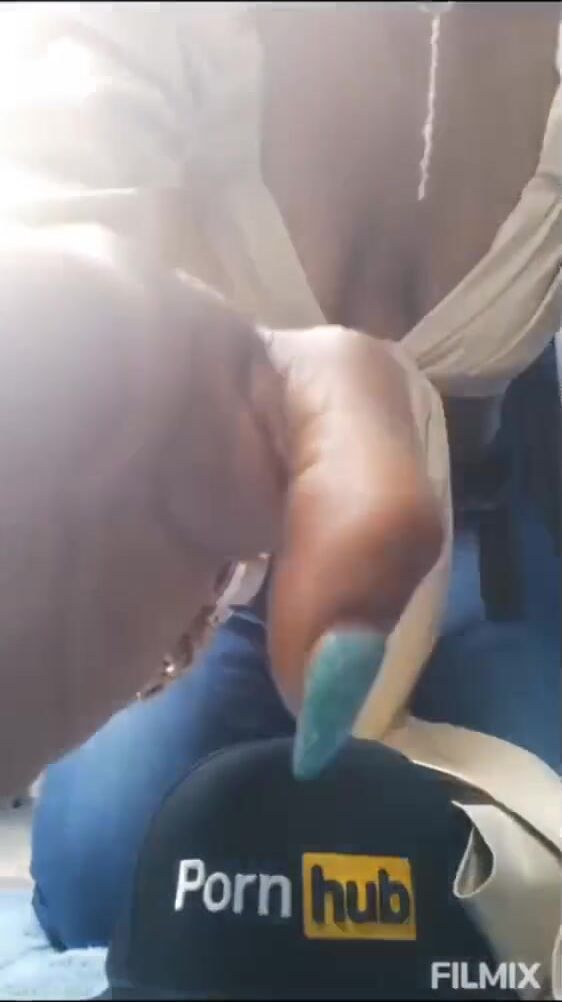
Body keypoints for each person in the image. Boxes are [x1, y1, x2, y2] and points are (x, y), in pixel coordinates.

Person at [0, 0, 559, 968]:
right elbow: (52, 201)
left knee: (529, 895)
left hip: (479, 532)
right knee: (113, 870)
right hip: (215, 539)